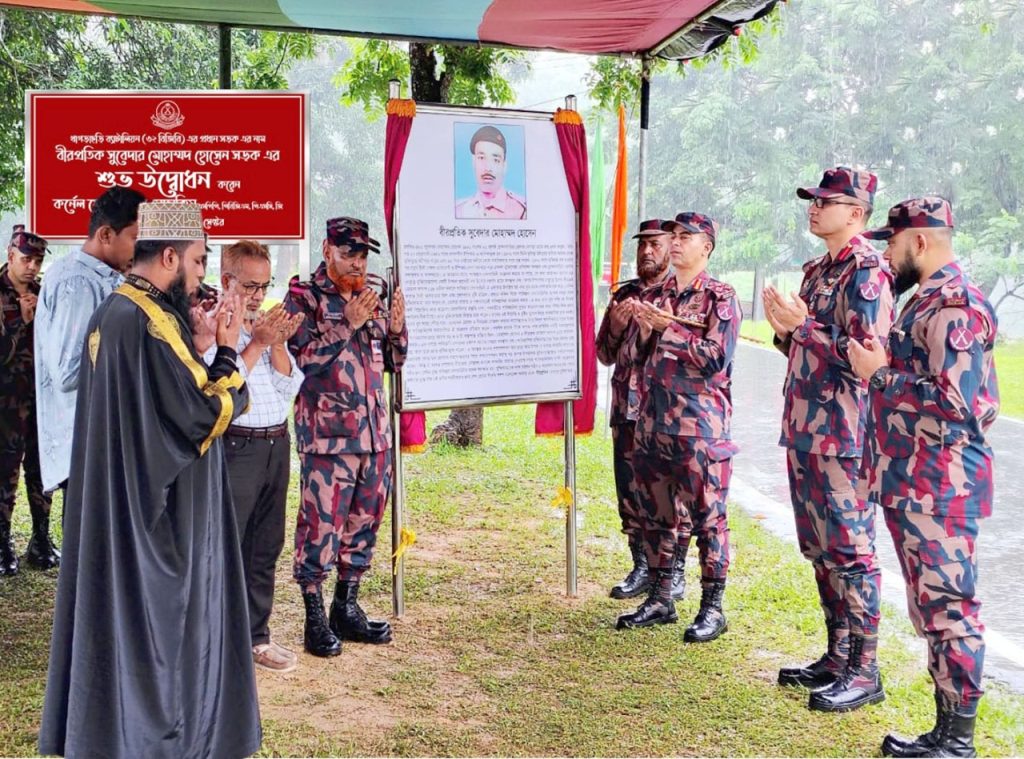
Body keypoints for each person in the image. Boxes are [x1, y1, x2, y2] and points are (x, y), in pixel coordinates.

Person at [39, 199, 261, 758]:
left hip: (120, 504)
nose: (202, 275)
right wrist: (230, 350)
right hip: (156, 521)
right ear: (169, 255)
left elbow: (160, 399)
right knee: (164, 639)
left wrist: (201, 347)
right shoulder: (152, 322)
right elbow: (205, 411)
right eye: (199, 261)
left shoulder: (118, 309)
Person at [848, 197, 998, 758]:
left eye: (891, 242)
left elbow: (958, 401)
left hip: (942, 485)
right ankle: (944, 731)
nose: (886, 252)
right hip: (915, 480)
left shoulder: (955, 304)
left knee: (950, 610)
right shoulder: (926, 301)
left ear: (919, 242)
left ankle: (957, 741)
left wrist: (880, 374)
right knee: (930, 609)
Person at [763, 166, 894, 712]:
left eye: (827, 201)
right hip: (805, 427)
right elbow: (804, 350)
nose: (814, 208)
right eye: (813, 200)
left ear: (857, 213)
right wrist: (784, 331)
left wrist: (803, 328)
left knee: (851, 550)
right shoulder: (819, 270)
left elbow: (869, 359)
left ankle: (866, 670)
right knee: (820, 548)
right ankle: (837, 656)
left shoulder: (867, 271)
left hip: (843, 432)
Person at [284, 217, 407, 657]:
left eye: (361, 254)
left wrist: (395, 329)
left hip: (374, 436)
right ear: (326, 249)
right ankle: (313, 616)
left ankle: (346, 606)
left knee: (363, 525)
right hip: (329, 439)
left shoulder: (371, 295)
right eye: (347, 252)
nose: (356, 262)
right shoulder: (303, 297)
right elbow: (301, 361)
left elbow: (393, 360)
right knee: (320, 528)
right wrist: (347, 324)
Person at [616, 212, 741, 643]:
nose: (674, 243)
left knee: (709, 521)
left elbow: (713, 358)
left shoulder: (719, 297)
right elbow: (639, 355)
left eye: (685, 237)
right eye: (673, 236)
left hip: (699, 430)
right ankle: (661, 595)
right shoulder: (660, 294)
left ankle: (712, 607)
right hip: (654, 423)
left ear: (706, 246)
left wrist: (666, 330)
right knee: (658, 517)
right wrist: (649, 329)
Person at [199, 240, 305, 673]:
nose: (259, 295)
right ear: (226, 282)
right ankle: (213, 637)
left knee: (265, 544)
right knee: (226, 543)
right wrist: (257, 344)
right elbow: (220, 384)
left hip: (276, 443)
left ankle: (256, 636)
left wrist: (276, 342)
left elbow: (289, 388)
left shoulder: (264, 326)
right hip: (236, 446)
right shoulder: (211, 327)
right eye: (250, 285)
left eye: (265, 285)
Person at [34, 186, 145, 495]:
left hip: (102, 442)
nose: (140, 249)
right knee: (90, 541)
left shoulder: (105, 277)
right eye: (135, 238)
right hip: (86, 447)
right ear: (106, 235)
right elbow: (68, 373)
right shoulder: (79, 282)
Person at [596, 219, 674, 600]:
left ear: (671, 248)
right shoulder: (623, 295)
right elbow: (604, 355)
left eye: (655, 245)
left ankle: (671, 573)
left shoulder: (680, 295)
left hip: (662, 414)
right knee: (629, 494)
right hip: (625, 411)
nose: (647, 252)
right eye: (642, 245)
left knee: (668, 498)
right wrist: (613, 325)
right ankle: (641, 566)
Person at [0, 230, 59, 575]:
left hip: (41, 400)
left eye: (38, 261)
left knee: (41, 470)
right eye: (26, 259)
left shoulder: (44, 293)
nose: (32, 267)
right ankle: (3, 543)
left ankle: (40, 539)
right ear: (10, 255)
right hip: (6, 404)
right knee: (5, 473)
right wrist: (21, 325)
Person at [454, 125, 527, 220]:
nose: (488, 168)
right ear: (473, 162)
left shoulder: (521, 211)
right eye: (481, 158)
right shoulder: (459, 211)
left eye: (495, 160)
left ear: (504, 165)